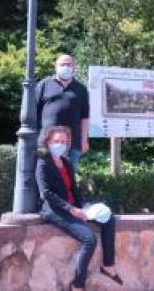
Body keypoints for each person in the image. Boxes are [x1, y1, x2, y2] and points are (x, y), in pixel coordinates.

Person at [35, 125, 122, 291]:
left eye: (63, 141)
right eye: (56, 141)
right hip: (55, 210)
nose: (60, 144)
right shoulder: (43, 164)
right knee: (89, 239)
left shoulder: (66, 163)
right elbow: (46, 194)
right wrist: (71, 209)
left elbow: (73, 189)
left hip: (74, 207)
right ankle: (77, 285)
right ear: (48, 142)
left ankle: (108, 265)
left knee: (108, 218)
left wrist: (84, 208)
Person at [36, 54, 90, 169]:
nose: (66, 67)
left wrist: (84, 140)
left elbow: (85, 117)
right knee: (44, 178)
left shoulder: (81, 89)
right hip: (46, 143)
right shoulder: (43, 85)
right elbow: (33, 113)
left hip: (72, 144)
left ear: (74, 66)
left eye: (69, 64)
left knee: (67, 181)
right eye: (62, 64)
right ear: (56, 66)